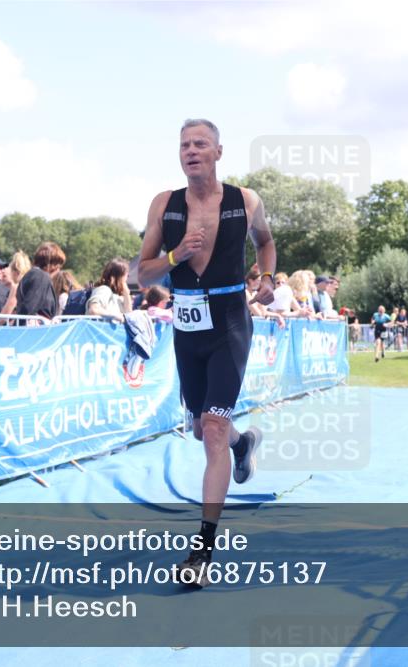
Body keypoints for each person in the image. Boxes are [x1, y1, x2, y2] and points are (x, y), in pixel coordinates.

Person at [136, 118, 276, 586]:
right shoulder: (164, 204)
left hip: (232, 324)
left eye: (200, 144)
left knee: (213, 428)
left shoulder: (246, 200)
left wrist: (269, 279)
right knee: (203, 430)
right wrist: (175, 256)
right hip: (188, 328)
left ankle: (201, 552)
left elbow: (267, 242)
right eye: (184, 145)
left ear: (218, 152)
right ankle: (244, 442)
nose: (191, 151)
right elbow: (144, 275)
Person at [15, 242, 63, 323]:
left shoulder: (32, 275)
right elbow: (29, 307)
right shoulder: (41, 277)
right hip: (35, 331)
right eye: (58, 264)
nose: (59, 269)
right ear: (51, 263)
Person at [87, 258, 132, 322]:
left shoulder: (119, 297)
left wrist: (126, 294)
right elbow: (94, 309)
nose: (127, 279)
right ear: (114, 277)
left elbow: (129, 316)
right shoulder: (104, 290)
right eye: (126, 275)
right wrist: (114, 316)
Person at [0, 251, 32, 323]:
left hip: (17, 329)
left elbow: (4, 315)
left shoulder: (17, 287)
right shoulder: (31, 285)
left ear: (15, 272)